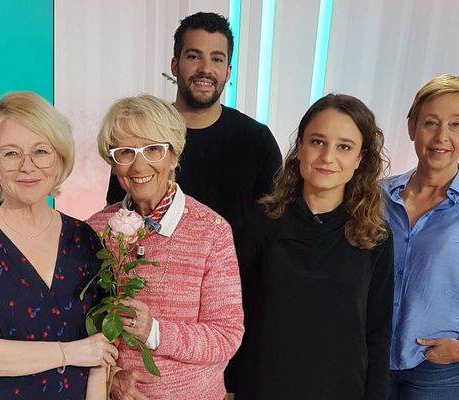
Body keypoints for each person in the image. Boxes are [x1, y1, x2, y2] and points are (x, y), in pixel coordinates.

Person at [105, 13, 281, 394]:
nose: (205, 68)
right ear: (174, 64)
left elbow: (271, 241)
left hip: (221, 336)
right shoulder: (134, 145)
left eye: (217, 58)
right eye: (193, 56)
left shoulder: (256, 142)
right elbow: (117, 223)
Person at [0, 92, 118, 399]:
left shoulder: (86, 239)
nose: (27, 166)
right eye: (11, 153)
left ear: (59, 159)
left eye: (41, 151)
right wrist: (68, 353)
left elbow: (99, 350)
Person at [234, 94, 394, 399]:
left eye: (344, 147)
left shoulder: (375, 235)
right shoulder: (262, 222)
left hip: (342, 388)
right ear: (300, 148)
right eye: (317, 142)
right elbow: (237, 315)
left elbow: (378, 332)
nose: (327, 157)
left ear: (360, 159)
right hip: (264, 384)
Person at [89, 94, 244, 400]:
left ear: (174, 156)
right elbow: (81, 325)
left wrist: (155, 332)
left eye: (153, 149)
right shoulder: (95, 229)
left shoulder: (211, 231)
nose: (139, 164)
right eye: (125, 152)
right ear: (112, 162)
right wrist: (111, 376)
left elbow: (227, 336)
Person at [383, 74, 459, 399]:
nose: (442, 136)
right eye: (431, 122)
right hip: (372, 359)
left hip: (439, 370)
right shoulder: (376, 198)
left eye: (456, 124)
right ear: (412, 126)